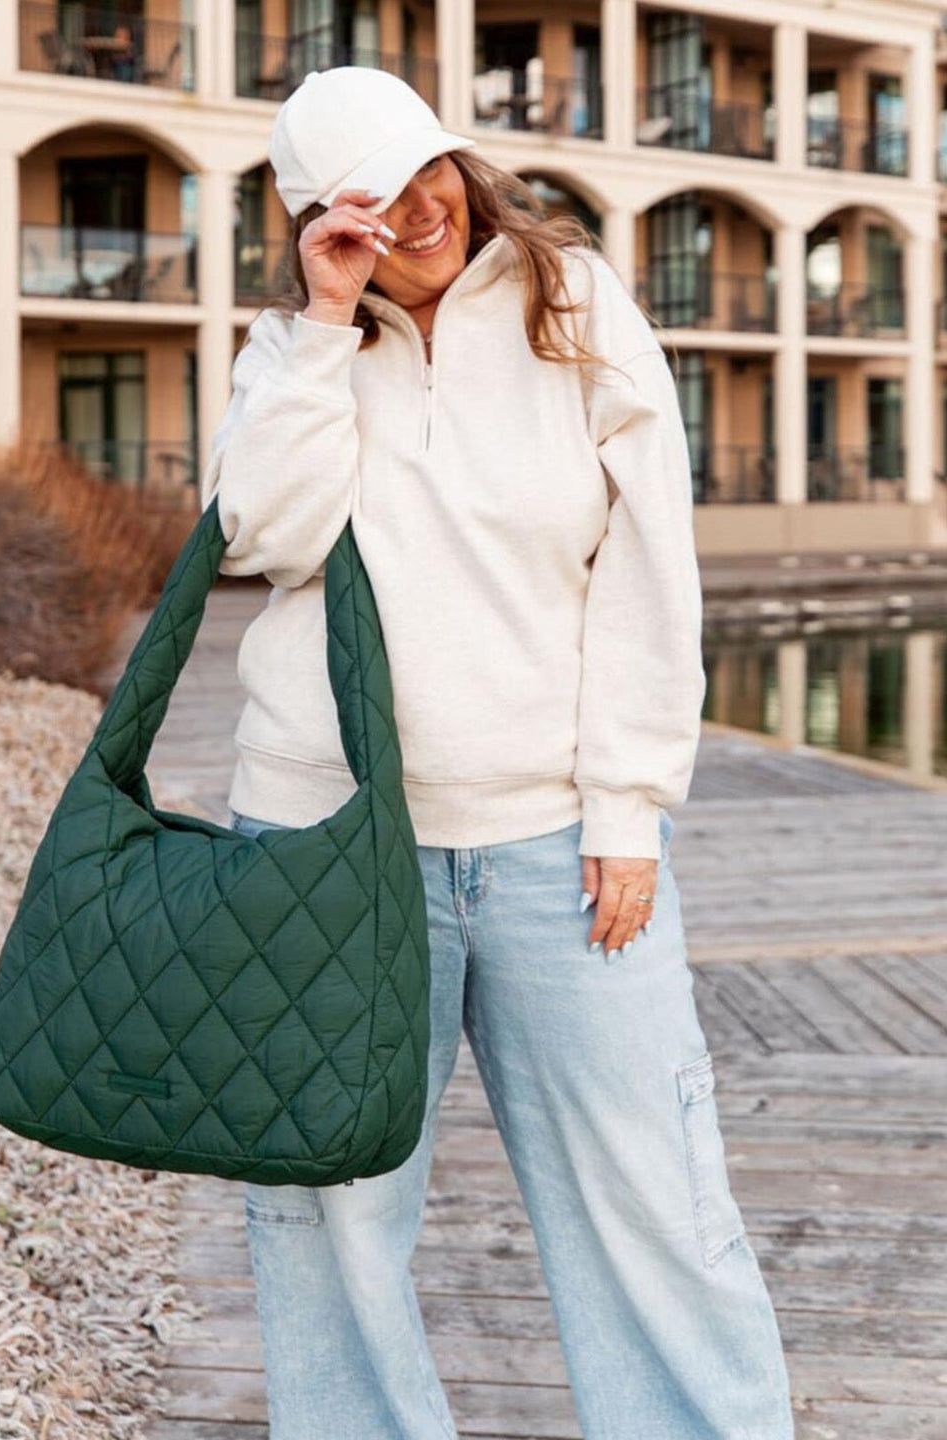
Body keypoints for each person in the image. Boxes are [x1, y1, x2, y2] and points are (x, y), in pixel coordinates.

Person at [201, 64, 794, 1440]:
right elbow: (262, 538)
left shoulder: (574, 303)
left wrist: (627, 806)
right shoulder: (293, 349)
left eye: (431, 171)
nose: (422, 212)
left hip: (556, 846)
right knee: (328, 1213)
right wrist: (328, 323)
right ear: (317, 224)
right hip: (329, 849)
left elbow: (647, 567)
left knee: (653, 1202)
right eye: (374, 202)